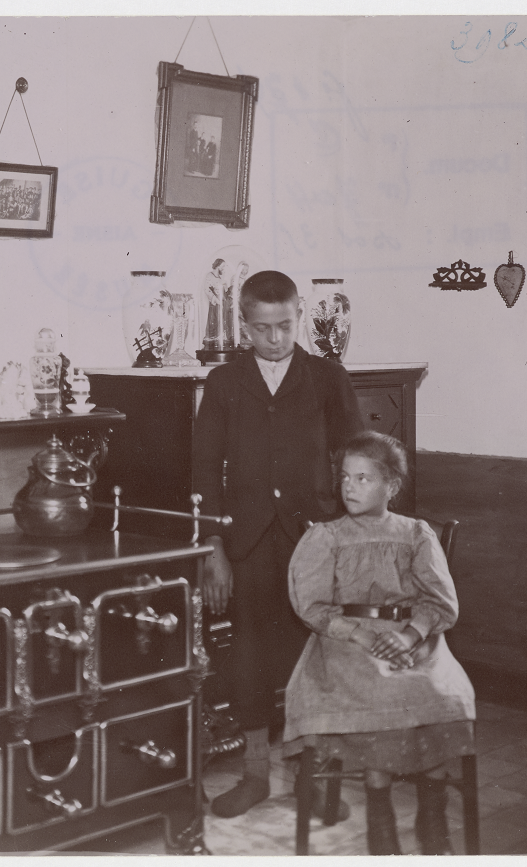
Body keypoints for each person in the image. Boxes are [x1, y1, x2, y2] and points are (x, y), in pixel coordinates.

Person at [192, 269, 363, 818]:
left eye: (285, 326)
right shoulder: (223, 383)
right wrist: (213, 547)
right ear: (244, 326)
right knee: (247, 656)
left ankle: (308, 779)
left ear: (298, 317)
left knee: (309, 658)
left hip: (312, 539)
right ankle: (255, 776)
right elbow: (201, 471)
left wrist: (344, 533)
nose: (274, 339)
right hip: (246, 543)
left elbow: (355, 458)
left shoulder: (327, 377)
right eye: (262, 329)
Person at [283, 431, 476, 854]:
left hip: (413, 637)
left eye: (364, 478)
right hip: (346, 640)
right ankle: (380, 810)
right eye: (346, 478)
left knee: (439, 690)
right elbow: (312, 607)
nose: (350, 487)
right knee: (381, 692)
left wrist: (410, 634)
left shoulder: (415, 533)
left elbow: (441, 601)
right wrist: (359, 634)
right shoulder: (326, 537)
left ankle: (432, 808)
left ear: (391, 486)